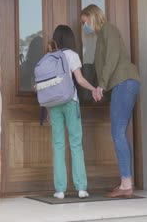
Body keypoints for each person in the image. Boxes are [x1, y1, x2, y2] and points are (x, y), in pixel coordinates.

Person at [80, 4, 140, 198]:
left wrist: (102, 85)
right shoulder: (101, 37)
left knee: (118, 133)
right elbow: (103, 65)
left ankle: (126, 184)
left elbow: (112, 58)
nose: (84, 27)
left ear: (92, 17)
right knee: (120, 133)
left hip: (124, 83)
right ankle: (126, 182)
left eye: (84, 22)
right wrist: (100, 89)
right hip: (122, 85)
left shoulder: (109, 29)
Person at [45, 25, 98, 199]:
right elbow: (80, 80)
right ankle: (81, 188)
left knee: (58, 145)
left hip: (53, 104)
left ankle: (60, 190)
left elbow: (46, 86)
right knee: (76, 144)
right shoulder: (72, 56)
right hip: (70, 102)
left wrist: (46, 110)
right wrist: (94, 89)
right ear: (70, 39)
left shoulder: (49, 56)